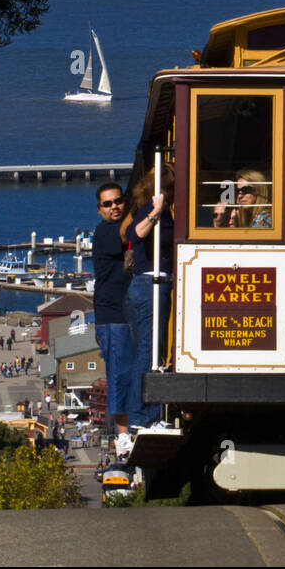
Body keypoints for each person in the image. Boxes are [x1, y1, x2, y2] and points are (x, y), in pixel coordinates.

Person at [122, 164, 175, 431]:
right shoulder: (151, 209)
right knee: (148, 351)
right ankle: (143, 417)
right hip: (149, 284)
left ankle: (144, 416)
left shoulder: (166, 212)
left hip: (152, 285)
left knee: (149, 350)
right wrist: (156, 211)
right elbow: (134, 234)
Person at [91, 181, 133, 455]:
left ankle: (134, 426)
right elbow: (126, 231)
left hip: (127, 311)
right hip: (111, 314)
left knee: (132, 370)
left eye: (118, 201)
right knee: (118, 373)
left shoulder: (120, 228)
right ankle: (123, 436)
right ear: (100, 210)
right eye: (108, 204)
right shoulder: (105, 231)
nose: (114, 207)